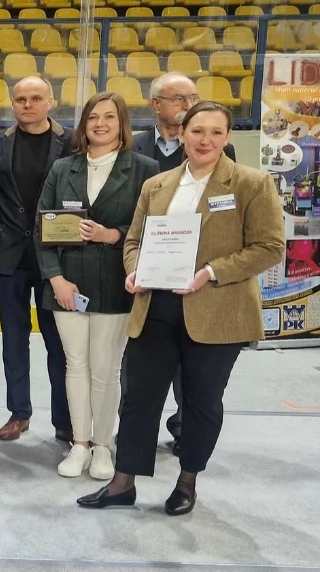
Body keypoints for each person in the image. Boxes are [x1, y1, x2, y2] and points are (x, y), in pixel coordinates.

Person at [79, 102, 283, 514]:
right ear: (182, 134)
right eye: (197, 131)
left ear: (227, 137)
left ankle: (187, 481)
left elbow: (269, 248)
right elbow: (134, 240)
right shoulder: (158, 184)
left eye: (215, 132)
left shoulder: (251, 183)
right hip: (156, 306)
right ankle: (123, 483)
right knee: (138, 397)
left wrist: (211, 271)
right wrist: (135, 271)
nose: (205, 140)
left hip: (216, 309)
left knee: (200, 402)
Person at [37, 92, 159, 479]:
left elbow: (150, 230)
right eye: (93, 117)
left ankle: (104, 445)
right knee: (75, 366)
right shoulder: (63, 169)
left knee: (106, 370)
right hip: (67, 284)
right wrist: (56, 278)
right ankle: (79, 443)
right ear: (84, 124)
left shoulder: (144, 168)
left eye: (109, 117)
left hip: (115, 284)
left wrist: (112, 235)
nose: (100, 124)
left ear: (121, 124)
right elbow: (42, 228)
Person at [130, 71, 236, 455]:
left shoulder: (234, 170)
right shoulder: (137, 148)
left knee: (197, 386)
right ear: (156, 104)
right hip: (153, 284)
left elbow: (256, 241)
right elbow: (136, 228)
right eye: (179, 98)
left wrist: (209, 271)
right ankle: (130, 469)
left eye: (192, 97)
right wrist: (135, 266)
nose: (187, 105)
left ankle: (184, 439)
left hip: (206, 288)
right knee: (141, 385)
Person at [0, 77, 74, 443]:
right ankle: (19, 413)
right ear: (12, 104)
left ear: (51, 101)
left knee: (57, 343)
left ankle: (64, 419)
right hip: (9, 256)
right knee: (13, 340)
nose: (27, 104)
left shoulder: (73, 142)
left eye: (36, 98)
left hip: (58, 258)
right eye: (20, 99)